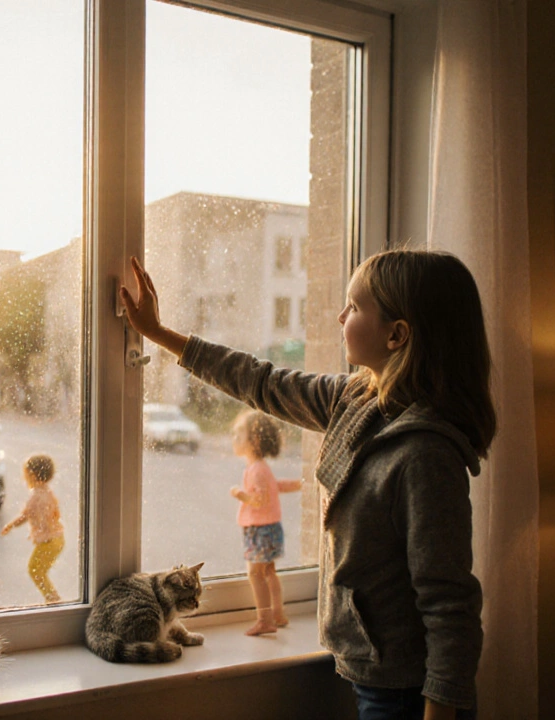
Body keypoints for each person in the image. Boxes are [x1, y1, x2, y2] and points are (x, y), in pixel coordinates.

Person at [119, 252, 494, 720]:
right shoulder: (356, 398)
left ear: (397, 334)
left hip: (408, 692)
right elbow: (261, 381)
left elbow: (450, 604)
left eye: (354, 307)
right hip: (368, 670)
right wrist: (158, 333)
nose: (340, 316)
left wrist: (440, 710)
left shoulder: (426, 456)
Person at [228, 410, 303, 636]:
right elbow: (275, 486)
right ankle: (278, 614)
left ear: (254, 441)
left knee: (255, 574)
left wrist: (240, 495)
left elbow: (260, 500)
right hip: (271, 528)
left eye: (238, 436)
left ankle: (264, 619)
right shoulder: (261, 468)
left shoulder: (256, 470)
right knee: (269, 572)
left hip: (259, 529)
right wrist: (299, 484)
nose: (234, 439)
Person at [1, 453, 65, 603]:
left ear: (33, 475)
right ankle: (52, 597)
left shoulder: (36, 496)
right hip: (58, 539)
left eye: (26, 474)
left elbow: (25, 516)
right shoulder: (48, 492)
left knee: (35, 570)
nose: (24, 478)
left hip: (49, 541)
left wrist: (10, 525)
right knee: (39, 570)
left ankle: (53, 599)